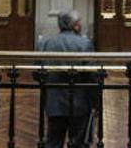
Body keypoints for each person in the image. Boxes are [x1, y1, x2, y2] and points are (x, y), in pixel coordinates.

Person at [37, 9, 97, 148]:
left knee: (53, 142)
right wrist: (96, 102)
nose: (81, 24)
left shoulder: (45, 43)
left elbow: (37, 73)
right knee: (79, 143)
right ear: (76, 25)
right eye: (79, 22)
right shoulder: (84, 44)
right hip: (79, 104)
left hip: (54, 102)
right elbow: (92, 76)